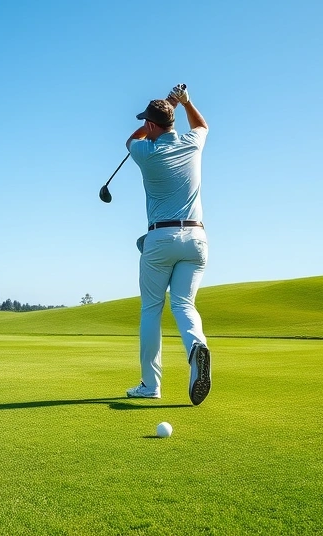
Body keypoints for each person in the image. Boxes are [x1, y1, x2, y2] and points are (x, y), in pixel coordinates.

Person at [124, 84, 211, 405]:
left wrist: (167, 106)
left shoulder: (145, 152)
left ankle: (151, 385)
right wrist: (184, 103)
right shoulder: (191, 143)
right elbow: (201, 125)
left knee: (151, 309)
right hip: (197, 239)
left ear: (149, 124)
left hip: (161, 238)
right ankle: (196, 347)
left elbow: (132, 140)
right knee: (184, 305)